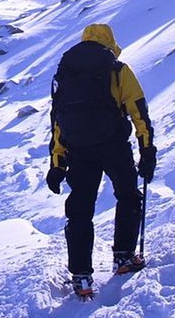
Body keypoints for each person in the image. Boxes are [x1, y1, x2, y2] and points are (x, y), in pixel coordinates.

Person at [46, 23, 157, 299]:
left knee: (80, 210)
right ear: (109, 42)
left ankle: (81, 275)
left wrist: (57, 164)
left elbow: (58, 121)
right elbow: (138, 111)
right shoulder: (117, 69)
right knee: (128, 196)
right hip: (113, 145)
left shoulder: (65, 73)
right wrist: (147, 151)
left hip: (78, 150)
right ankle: (124, 256)